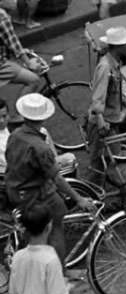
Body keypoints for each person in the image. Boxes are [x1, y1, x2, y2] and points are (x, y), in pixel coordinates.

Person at [8, 94, 92, 260]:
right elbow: (57, 178)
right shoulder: (40, 147)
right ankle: (61, 270)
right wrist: (78, 198)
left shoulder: (15, 135)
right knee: (57, 221)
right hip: (36, 193)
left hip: (16, 190)